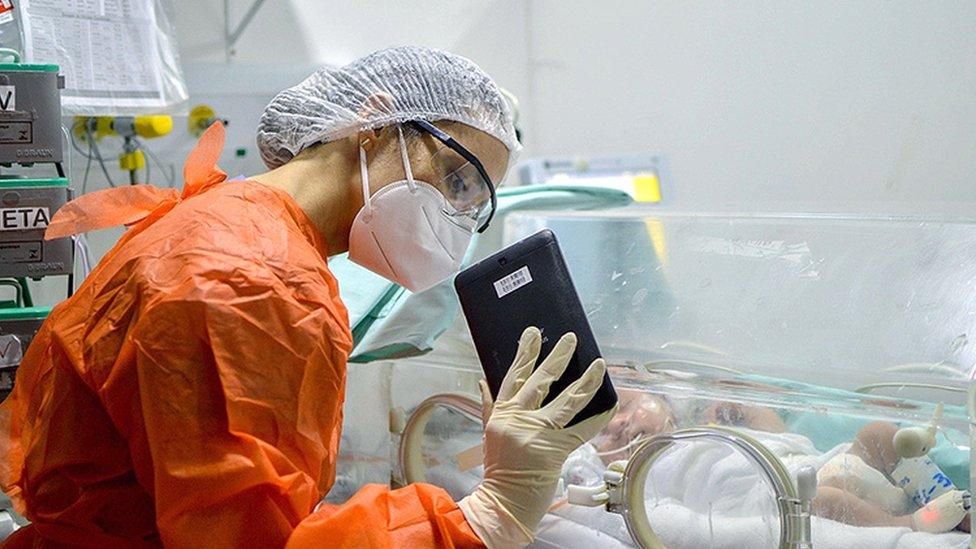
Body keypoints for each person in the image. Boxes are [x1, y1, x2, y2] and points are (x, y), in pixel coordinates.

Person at [0, 46, 613, 548]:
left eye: (475, 203)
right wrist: (483, 516)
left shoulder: (223, 224)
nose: (455, 213)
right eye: (456, 177)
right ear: (374, 123)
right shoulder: (253, 278)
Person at [585, 388, 969, 534]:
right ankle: (912, 525)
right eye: (602, 433)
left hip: (817, 465)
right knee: (823, 501)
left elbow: (781, 436)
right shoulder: (639, 474)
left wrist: (748, 411)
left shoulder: (707, 425)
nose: (619, 424)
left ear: (663, 399)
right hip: (787, 499)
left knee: (880, 435)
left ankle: (958, 509)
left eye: (624, 407)